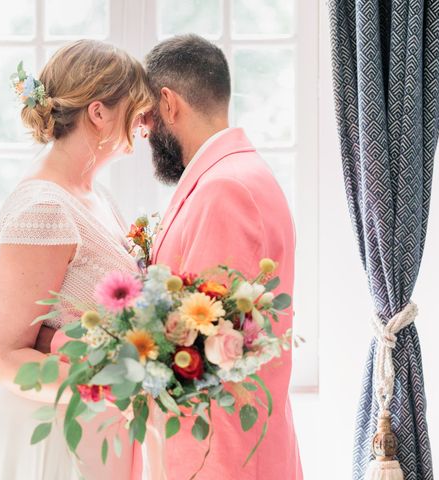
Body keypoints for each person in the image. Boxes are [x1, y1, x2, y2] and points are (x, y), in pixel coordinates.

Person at [0, 39, 152, 480]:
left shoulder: (95, 194)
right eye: (137, 109)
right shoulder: (44, 210)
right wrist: (109, 389)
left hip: (98, 432)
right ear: (98, 112)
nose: (146, 124)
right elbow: (2, 358)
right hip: (53, 438)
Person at [140, 34, 303, 480]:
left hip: (221, 452)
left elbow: (201, 342)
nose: (145, 134)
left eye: (146, 117)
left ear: (169, 104)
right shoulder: (239, 172)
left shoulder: (223, 190)